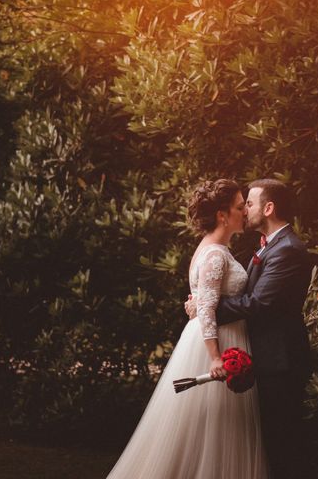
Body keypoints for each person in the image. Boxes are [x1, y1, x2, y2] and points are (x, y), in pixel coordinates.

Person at [106, 179, 268, 479]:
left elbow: (206, 302)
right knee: (214, 428)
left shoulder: (212, 249)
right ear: (222, 215)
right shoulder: (215, 253)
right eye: (238, 206)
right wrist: (216, 357)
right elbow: (205, 308)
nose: (245, 211)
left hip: (219, 335)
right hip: (216, 342)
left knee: (216, 429)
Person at [186, 178, 312, 479]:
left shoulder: (288, 249)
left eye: (250, 204)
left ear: (268, 208)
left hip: (280, 361)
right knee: (269, 442)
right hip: (265, 358)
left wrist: (208, 307)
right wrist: (205, 304)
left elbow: (259, 303)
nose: (246, 211)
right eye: (242, 206)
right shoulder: (269, 247)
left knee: (282, 444)